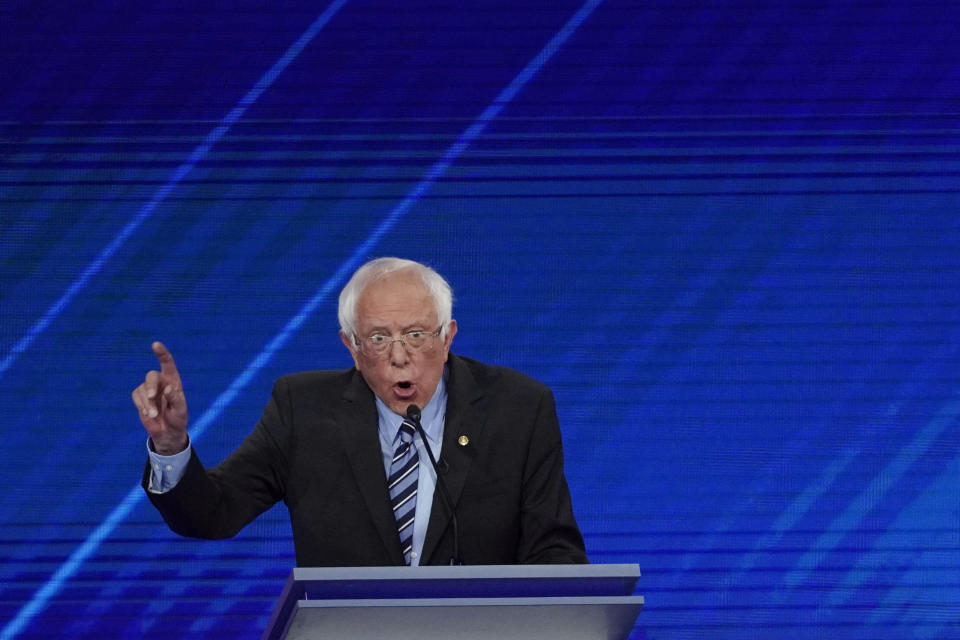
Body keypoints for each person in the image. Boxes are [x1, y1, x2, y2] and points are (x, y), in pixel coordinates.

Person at [132, 257, 587, 567]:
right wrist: (171, 446)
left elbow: (555, 550)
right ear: (350, 346)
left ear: (447, 337)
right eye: (378, 338)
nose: (400, 356)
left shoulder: (518, 408)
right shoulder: (303, 411)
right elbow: (214, 514)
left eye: (415, 334)